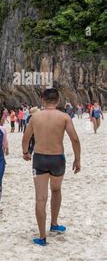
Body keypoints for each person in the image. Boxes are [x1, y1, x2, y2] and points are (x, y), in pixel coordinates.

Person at [22, 88, 81, 246]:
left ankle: (42, 237)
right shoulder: (64, 117)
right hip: (57, 159)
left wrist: (25, 153)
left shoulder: (35, 117)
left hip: (40, 158)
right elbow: (75, 139)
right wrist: (77, 159)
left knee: (40, 198)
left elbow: (26, 138)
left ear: (43, 100)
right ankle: (54, 224)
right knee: (56, 190)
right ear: (58, 100)